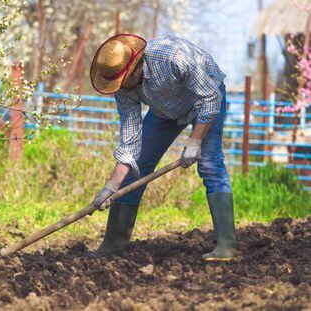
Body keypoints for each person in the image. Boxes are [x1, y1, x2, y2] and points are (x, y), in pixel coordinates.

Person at [89, 33, 237, 261]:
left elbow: (211, 98)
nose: (117, 87)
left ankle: (226, 246)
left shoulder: (172, 57)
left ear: (135, 69)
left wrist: (195, 140)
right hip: (165, 110)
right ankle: (113, 244)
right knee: (136, 167)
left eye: (120, 81)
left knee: (209, 164)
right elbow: (130, 141)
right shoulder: (125, 90)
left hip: (205, 99)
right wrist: (111, 186)